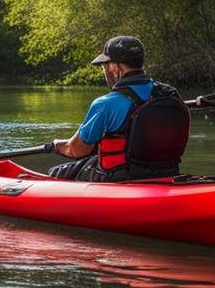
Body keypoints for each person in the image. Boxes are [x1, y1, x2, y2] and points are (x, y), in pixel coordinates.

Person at [48, 36, 190, 182]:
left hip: (122, 177)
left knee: (55, 172)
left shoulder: (106, 103)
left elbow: (77, 149)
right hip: (168, 171)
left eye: (104, 66)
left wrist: (58, 145)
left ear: (115, 67)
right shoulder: (170, 94)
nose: (104, 71)